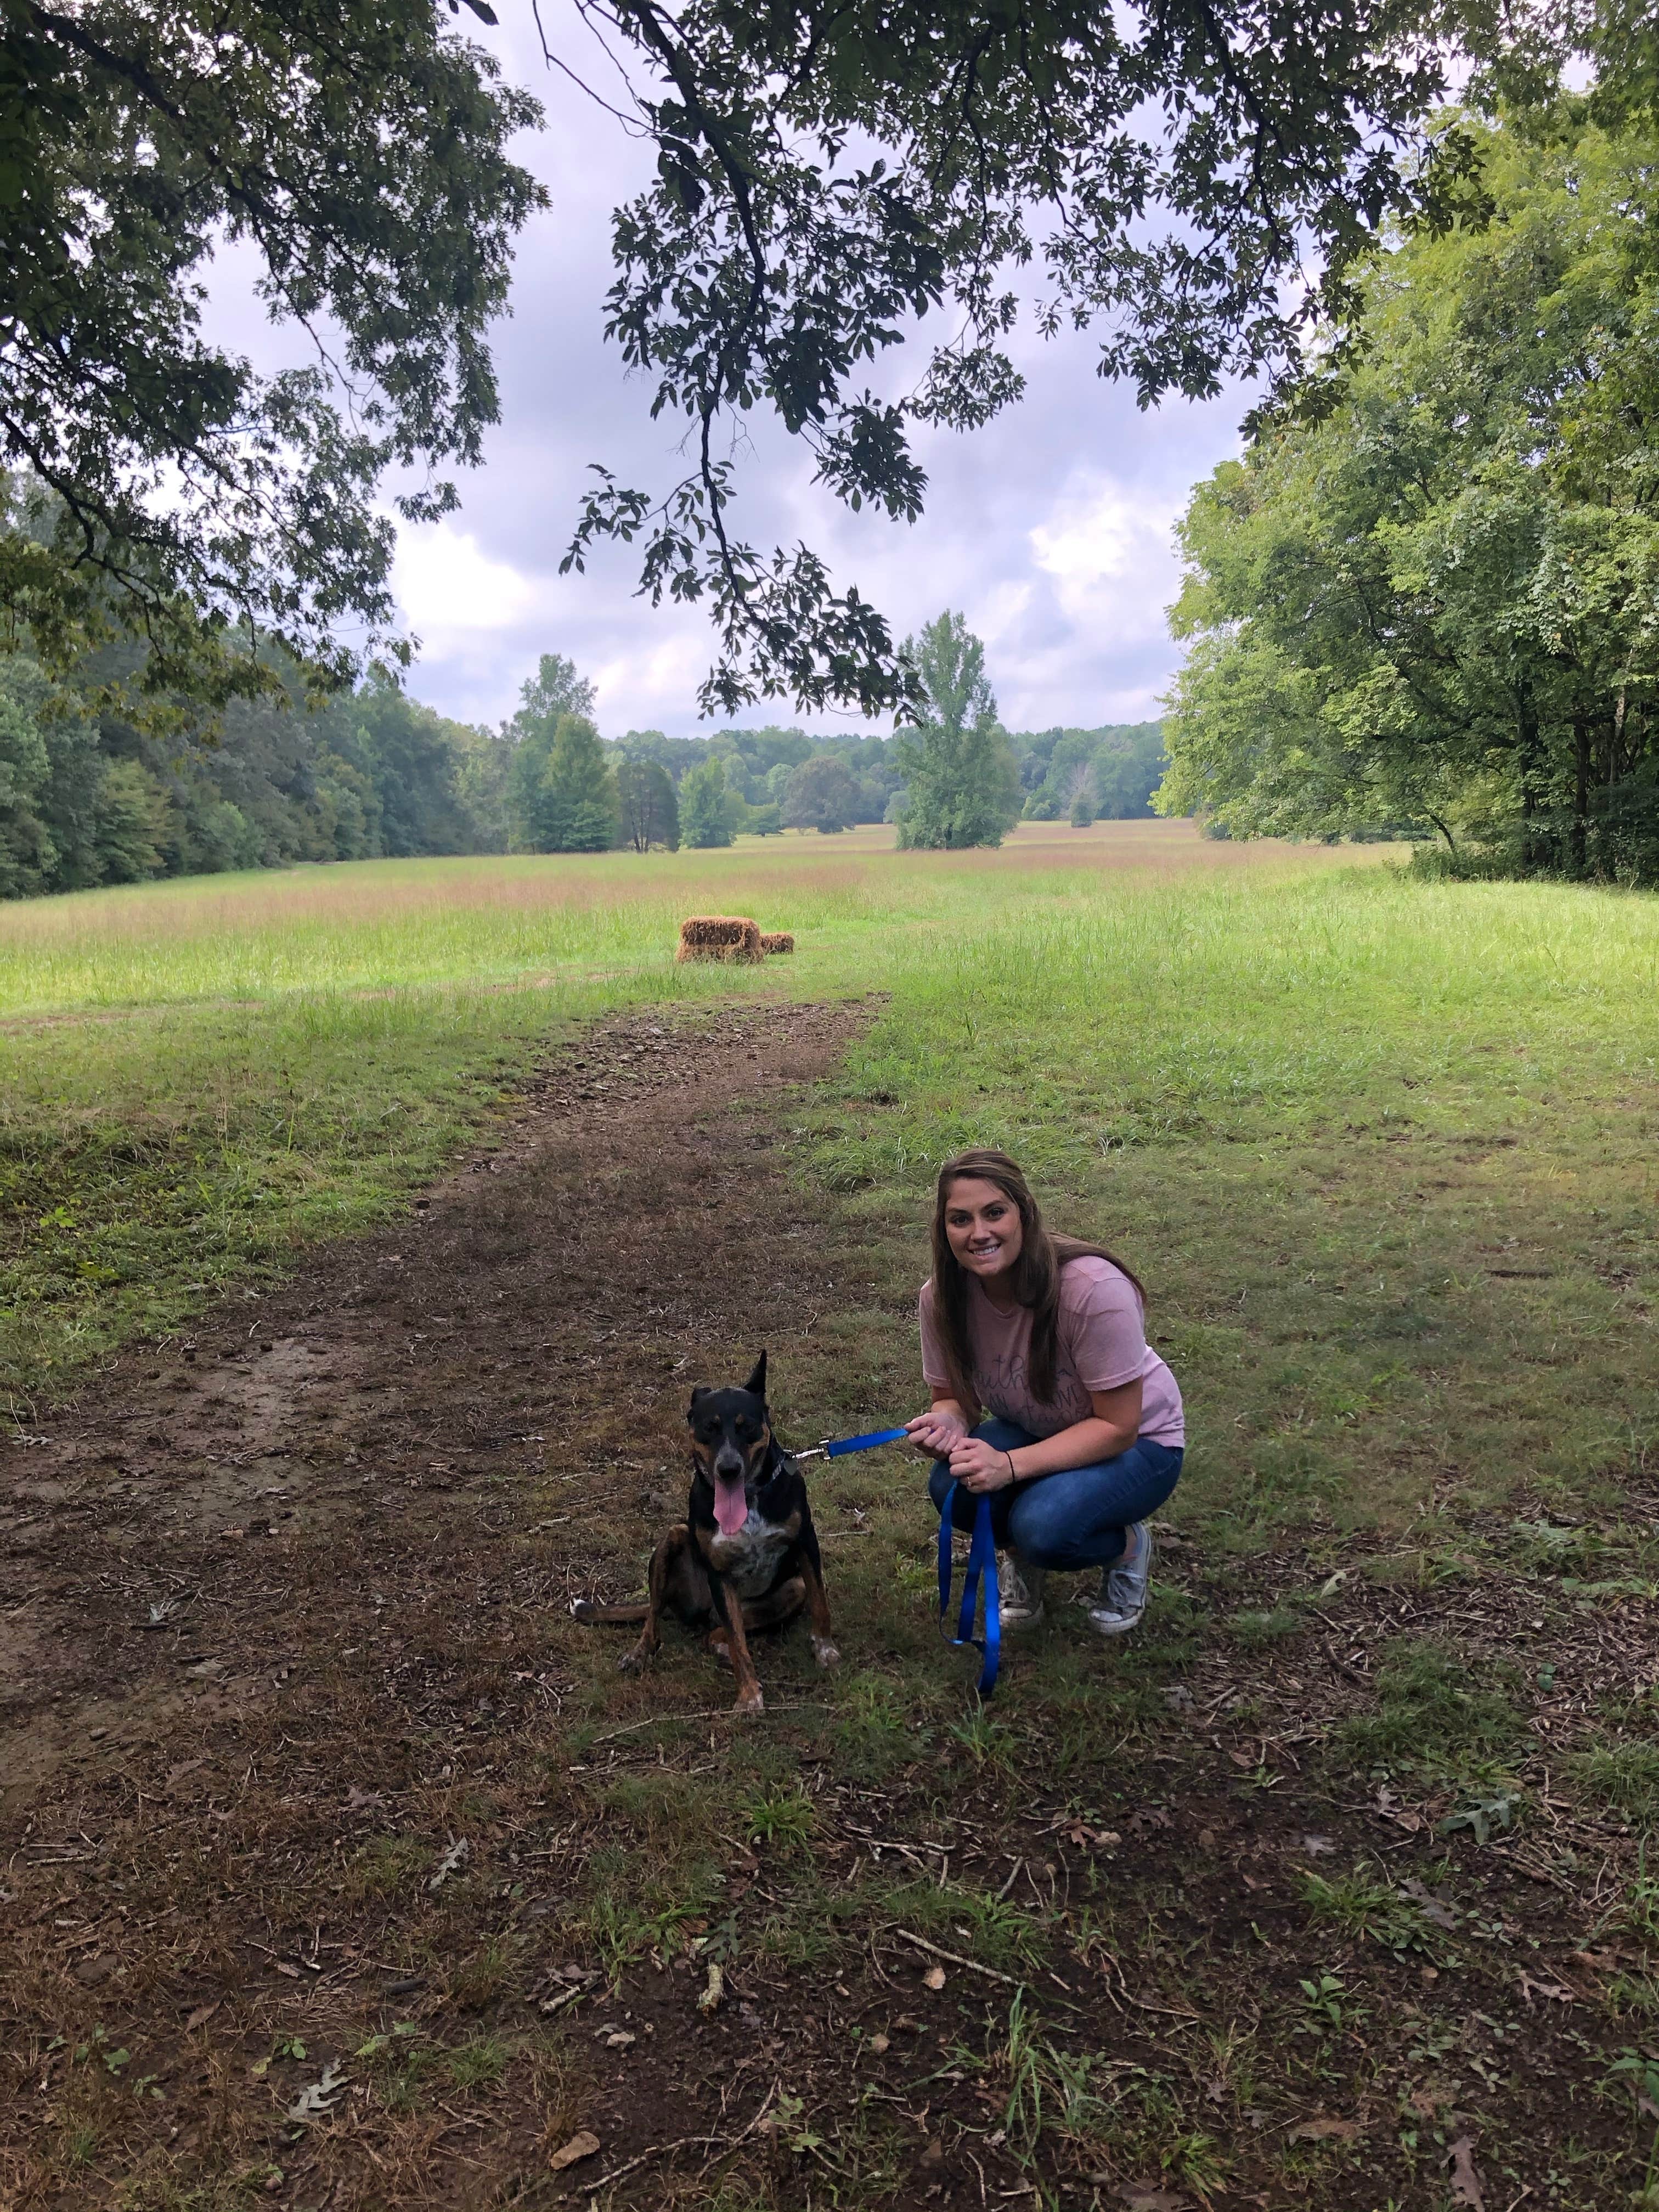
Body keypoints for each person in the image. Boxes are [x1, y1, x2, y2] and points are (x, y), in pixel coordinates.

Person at [905, 1148, 1184, 1636]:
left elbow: (1119, 1427)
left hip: (1140, 1443)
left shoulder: (1093, 1289)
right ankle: (1021, 1552)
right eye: (960, 1219)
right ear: (943, 1228)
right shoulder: (941, 1298)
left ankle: (1126, 1548)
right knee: (952, 1487)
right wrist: (948, 1421)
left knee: (1045, 1528)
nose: (979, 1233)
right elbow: (953, 1399)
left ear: (1025, 1213)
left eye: (995, 1212)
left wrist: (1008, 1466)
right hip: (1038, 1426)